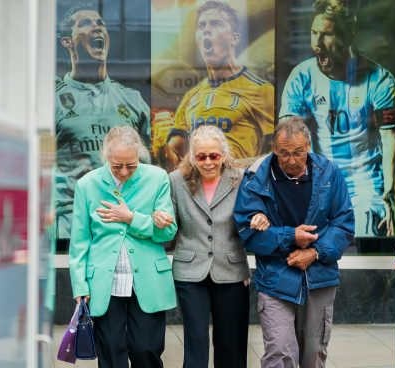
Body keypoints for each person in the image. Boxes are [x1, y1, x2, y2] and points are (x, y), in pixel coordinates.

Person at [234, 117, 355, 367]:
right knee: (280, 352)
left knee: (313, 354)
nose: (291, 160)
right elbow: (248, 232)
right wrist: (291, 236)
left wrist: (315, 252)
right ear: (275, 149)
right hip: (276, 278)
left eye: (298, 153)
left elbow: (343, 223)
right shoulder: (257, 177)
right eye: (284, 153)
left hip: (319, 276)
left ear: (308, 146)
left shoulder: (329, 172)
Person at [279, 0, 395, 237]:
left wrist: (389, 195)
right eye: (314, 33)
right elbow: (288, 139)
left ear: (347, 36)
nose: (317, 43)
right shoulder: (301, 77)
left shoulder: (380, 80)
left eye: (327, 35)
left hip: (366, 186)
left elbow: (390, 140)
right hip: (319, 185)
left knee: (365, 233)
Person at [69, 126, 177, 368]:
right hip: (103, 281)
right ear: (106, 158)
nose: (125, 171)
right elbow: (79, 242)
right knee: (111, 352)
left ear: (140, 155)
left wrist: (131, 218)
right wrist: (79, 285)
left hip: (147, 278)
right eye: (118, 166)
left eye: (132, 164)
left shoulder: (157, 178)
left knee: (146, 349)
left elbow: (167, 233)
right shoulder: (87, 185)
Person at [54, 1, 150, 250]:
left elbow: (148, 169)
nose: (96, 28)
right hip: (69, 222)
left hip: (124, 220)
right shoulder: (51, 100)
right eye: (85, 23)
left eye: (101, 23)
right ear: (67, 41)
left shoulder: (133, 100)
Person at [165, 125, 251, 367]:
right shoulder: (176, 180)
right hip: (190, 272)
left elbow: (249, 221)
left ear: (224, 154)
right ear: (192, 156)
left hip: (231, 269)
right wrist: (160, 221)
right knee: (196, 342)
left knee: (231, 344)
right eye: (201, 156)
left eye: (214, 155)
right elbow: (169, 232)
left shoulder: (241, 179)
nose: (208, 162)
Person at [158, 0, 274, 171]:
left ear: (235, 37)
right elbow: (173, 163)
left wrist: (233, 167)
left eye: (216, 24)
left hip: (238, 191)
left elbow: (278, 154)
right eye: (201, 25)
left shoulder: (260, 90)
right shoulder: (191, 97)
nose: (206, 29)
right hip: (198, 193)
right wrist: (161, 145)